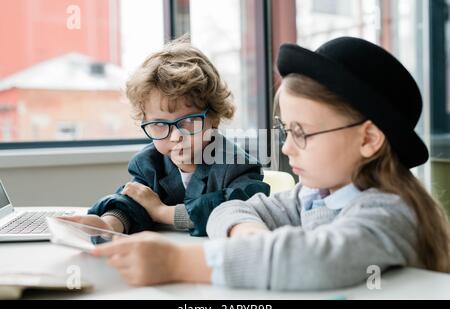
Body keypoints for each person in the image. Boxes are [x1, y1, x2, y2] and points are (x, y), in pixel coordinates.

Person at [90, 37, 450, 290]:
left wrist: (175, 263)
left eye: (302, 133)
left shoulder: (388, 214)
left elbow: (312, 261)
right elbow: (231, 209)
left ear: (369, 139)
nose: (287, 148)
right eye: (285, 131)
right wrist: (252, 238)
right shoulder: (311, 196)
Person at [62, 35, 270, 237]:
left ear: (214, 118)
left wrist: (163, 212)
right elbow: (133, 204)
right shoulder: (148, 163)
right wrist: (109, 224)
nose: (176, 136)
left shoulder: (236, 165)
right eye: (160, 124)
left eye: (189, 121)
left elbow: (237, 209)